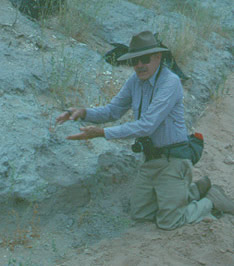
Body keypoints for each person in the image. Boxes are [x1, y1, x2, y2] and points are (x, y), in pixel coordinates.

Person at [56, 31, 234, 230]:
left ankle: (211, 200)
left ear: (158, 57)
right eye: (135, 60)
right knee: (141, 214)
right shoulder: (134, 82)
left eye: (144, 59)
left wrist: (103, 133)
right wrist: (82, 112)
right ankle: (192, 192)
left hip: (173, 160)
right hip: (150, 160)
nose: (139, 65)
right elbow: (113, 111)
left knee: (169, 221)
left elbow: (148, 124)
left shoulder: (170, 82)